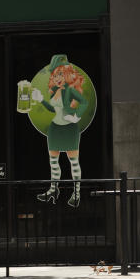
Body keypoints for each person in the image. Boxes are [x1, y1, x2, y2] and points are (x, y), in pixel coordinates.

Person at [31, 54, 88, 208]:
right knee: (53, 162)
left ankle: (76, 193)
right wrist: (41, 99)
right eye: (55, 74)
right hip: (55, 128)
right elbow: (53, 109)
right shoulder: (55, 90)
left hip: (69, 128)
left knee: (74, 162)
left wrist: (76, 116)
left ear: (68, 74)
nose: (57, 77)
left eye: (60, 74)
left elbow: (84, 102)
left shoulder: (70, 90)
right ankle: (53, 189)